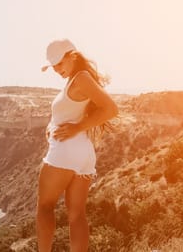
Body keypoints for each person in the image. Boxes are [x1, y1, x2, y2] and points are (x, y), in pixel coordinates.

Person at [37, 38, 118, 252]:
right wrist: (52, 124)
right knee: (77, 215)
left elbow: (110, 109)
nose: (56, 70)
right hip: (83, 155)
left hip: (65, 151)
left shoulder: (81, 78)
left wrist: (76, 128)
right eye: (53, 66)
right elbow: (71, 111)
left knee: (44, 207)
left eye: (59, 64)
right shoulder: (76, 79)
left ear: (72, 56)